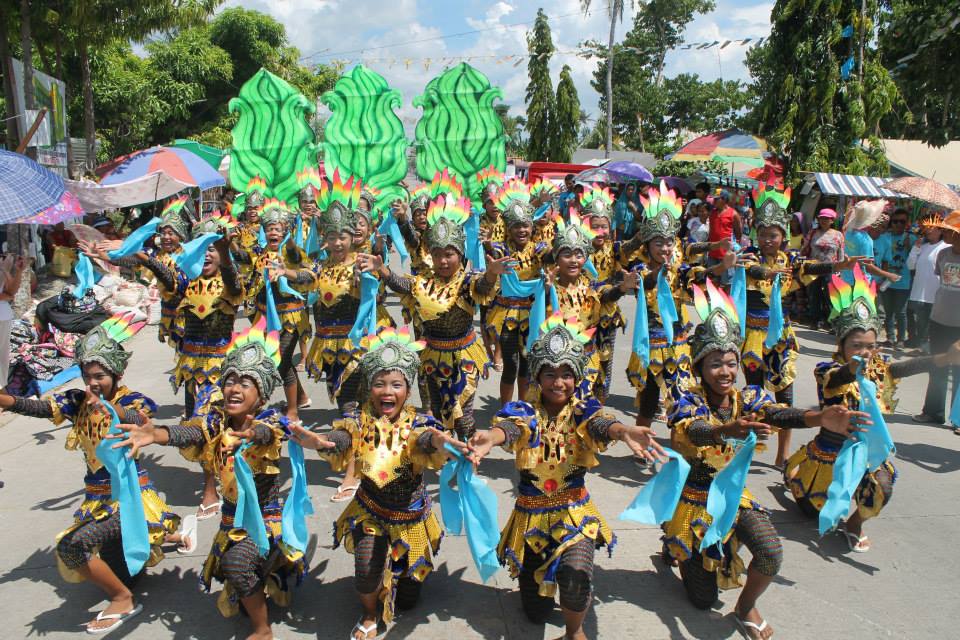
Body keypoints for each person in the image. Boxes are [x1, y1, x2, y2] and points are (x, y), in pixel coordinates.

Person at [663, 280, 868, 640]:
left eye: (730, 363)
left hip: (733, 498)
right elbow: (693, 431)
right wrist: (726, 430)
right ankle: (680, 550)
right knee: (702, 599)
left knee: (771, 552)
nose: (724, 372)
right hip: (695, 501)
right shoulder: (687, 400)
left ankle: (744, 607)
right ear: (699, 366)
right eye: (714, 364)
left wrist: (820, 418)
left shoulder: (749, 398)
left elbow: (779, 413)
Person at [468, 314, 665, 640]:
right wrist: (491, 437)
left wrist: (623, 430)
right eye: (549, 374)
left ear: (577, 378)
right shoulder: (525, 410)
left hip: (574, 512)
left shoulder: (582, 410)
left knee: (575, 580)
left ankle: (575, 632)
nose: (558, 382)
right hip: (530, 516)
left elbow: (601, 423)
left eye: (566, 375)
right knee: (534, 613)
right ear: (537, 377)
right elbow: (511, 427)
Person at [111, 318, 305, 640]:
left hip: (263, 520)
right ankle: (269, 572)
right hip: (231, 522)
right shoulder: (215, 424)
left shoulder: (270, 423)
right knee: (241, 582)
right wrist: (157, 434)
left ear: (261, 397)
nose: (235, 388)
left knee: (237, 567)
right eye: (231, 380)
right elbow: (189, 431)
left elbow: (264, 433)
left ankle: (263, 629)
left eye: (246, 382)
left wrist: (253, 433)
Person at [0, 323, 188, 633]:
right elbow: (43, 407)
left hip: (128, 496)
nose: (92, 383)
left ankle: (123, 598)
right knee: (120, 565)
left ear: (117, 376)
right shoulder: (78, 402)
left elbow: (140, 420)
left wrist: (109, 408)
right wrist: (8, 402)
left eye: (99, 376)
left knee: (71, 547)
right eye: (87, 376)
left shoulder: (132, 401)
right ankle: (163, 535)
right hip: (97, 498)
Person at [289, 327, 468, 640]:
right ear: (368, 388)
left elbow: (426, 440)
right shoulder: (358, 420)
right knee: (365, 571)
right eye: (379, 383)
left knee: (410, 600)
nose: (388, 391)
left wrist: (442, 443)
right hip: (370, 511)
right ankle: (369, 614)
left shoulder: (420, 423)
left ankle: (405, 581)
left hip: (410, 517)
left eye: (396, 384)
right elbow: (341, 438)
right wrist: (320, 441)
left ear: (407, 390)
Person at [785, 264, 960, 550]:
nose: (864, 352)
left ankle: (854, 523)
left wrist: (945, 357)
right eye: (856, 345)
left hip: (865, 454)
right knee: (812, 513)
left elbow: (907, 367)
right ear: (840, 345)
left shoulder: (878, 371)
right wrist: (853, 367)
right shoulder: (827, 371)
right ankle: (795, 474)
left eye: (870, 345)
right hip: (827, 458)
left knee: (884, 486)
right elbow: (841, 376)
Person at [81, 213, 243, 520]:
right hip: (192, 369)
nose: (207, 253)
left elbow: (234, 278)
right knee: (199, 426)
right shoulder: (185, 283)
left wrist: (223, 248)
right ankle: (214, 481)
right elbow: (164, 273)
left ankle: (214, 486)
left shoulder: (231, 286)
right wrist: (136, 251)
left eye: (213, 248)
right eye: (202, 246)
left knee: (214, 426)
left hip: (222, 371)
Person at [359, 194, 511, 440]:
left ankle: (469, 456)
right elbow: (403, 286)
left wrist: (492, 274)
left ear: (460, 254)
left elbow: (482, 288)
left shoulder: (466, 281)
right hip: (433, 355)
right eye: (437, 254)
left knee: (464, 416)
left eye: (449, 254)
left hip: (464, 357)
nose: (443, 260)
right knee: (440, 412)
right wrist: (383, 270)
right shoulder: (424, 283)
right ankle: (446, 452)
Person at [740, 183, 863, 466]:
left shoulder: (790, 259)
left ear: (783, 236)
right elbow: (753, 271)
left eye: (773, 235)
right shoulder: (749, 257)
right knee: (754, 393)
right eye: (763, 234)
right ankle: (750, 447)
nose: (767, 240)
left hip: (781, 334)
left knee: (785, 392)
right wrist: (768, 272)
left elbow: (809, 267)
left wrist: (837, 267)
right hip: (754, 336)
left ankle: (782, 456)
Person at [544, 211, 638, 401]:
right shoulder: (547, 286)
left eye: (579, 255)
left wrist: (622, 288)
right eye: (567, 255)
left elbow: (607, 294)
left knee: (588, 405)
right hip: (556, 363)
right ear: (556, 258)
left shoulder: (591, 285)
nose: (573, 260)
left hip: (587, 358)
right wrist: (545, 291)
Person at [243, 200, 314, 421]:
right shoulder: (262, 253)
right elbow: (253, 275)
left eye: (277, 228)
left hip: (291, 317)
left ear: (286, 230)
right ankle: (300, 397)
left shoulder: (292, 252)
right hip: (267, 318)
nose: (272, 232)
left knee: (280, 361)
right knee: (278, 360)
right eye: (269, 228)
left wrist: (290, 245)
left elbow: (303, 271)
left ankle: (292, 411)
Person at [484, 179, 549, 404]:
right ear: (509, 229)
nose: (521, 230)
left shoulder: (540, 249)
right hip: (508, 313)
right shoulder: (501, 248)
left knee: (527, 364)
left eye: (526, 225)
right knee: (511, 365)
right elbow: (490, 255)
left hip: (533, 312)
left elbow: (553, 258)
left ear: (532, 227)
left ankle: (522, 407)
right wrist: (485, 245)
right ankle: (504, 410)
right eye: (516, 226)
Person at [914, 211, 960, 428]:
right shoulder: (943, 255)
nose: (946, 233)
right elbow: (944, 283)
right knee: (937, 366)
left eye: (950, 230)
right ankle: (933, 412)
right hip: (939, 319)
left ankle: (958, 419)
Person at [874, 208, 916, 348]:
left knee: (901, 312)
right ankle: (890, 337)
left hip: (903, 282)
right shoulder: (884, 236)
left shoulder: (911, 238)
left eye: (902, 222)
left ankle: (901, 340)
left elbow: (915, 261)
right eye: (895, 221)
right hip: (885, 280)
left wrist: (910, 247)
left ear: (907, 223)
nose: (898, 224)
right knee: (888, 311)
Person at [905, 214, 948, 353]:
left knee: (933, 325)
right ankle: (922, 348)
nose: (928, 230)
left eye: (932, 228)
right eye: (927, 228)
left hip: (936, 294)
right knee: (921, 324)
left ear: (940, 230)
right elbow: (910, 266)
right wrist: (915, 248)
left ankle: (932, 350)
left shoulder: (946, 247)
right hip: (920, 294)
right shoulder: (922, 247)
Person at [802, 208, 845, 330]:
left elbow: (841, 253)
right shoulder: (812, 233)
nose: (823, 221)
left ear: (832, 220)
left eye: (826, 218)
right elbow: (804, 248)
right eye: (821, 218)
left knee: (831, 296)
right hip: (814, 267)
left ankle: (832, 323)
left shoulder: (838, 235)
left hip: (830, 268)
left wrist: (840, 269)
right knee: (814, 294)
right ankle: (815, 320)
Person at [0, 255, 27, 390]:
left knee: (2, 359)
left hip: (3, 316)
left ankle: (2, 395)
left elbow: (11, 291)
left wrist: (18, 272)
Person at [705, 190, 743, 284]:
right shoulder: (712, 213)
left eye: (716, 199)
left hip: (726, 254)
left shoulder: (733, 214)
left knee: (727, 281)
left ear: (724, 199)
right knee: (713, 279)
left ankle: (727, 298)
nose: (714, 201)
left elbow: (739, 232)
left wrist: (734, 247)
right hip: (713, 252)